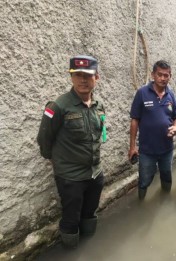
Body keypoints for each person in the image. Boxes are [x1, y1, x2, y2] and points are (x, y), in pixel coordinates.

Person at [37, 55, 105, 248]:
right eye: (77, 75)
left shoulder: (98, 106)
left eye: (87, 75)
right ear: (71, 77)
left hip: (95, 173)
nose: (82, 80)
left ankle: (88, 249)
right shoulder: (58, 106)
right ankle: (71, 250)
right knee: (70, 218)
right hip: (70, 178)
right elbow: (44, 139)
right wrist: (58, 164)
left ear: (96, 78)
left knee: (90, 212)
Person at [128, 60, 176, 200]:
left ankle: (165, 200)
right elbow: (134, 120)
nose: (163, 78)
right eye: (160, 75)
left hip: (166, 149)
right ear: (153, 75)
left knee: (167, 177)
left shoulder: (171, 95)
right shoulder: (142, 93)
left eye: (166, 75)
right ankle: (141, 204)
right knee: (144, 180)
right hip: (147, 150)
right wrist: (132, 146)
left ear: (170, 76)